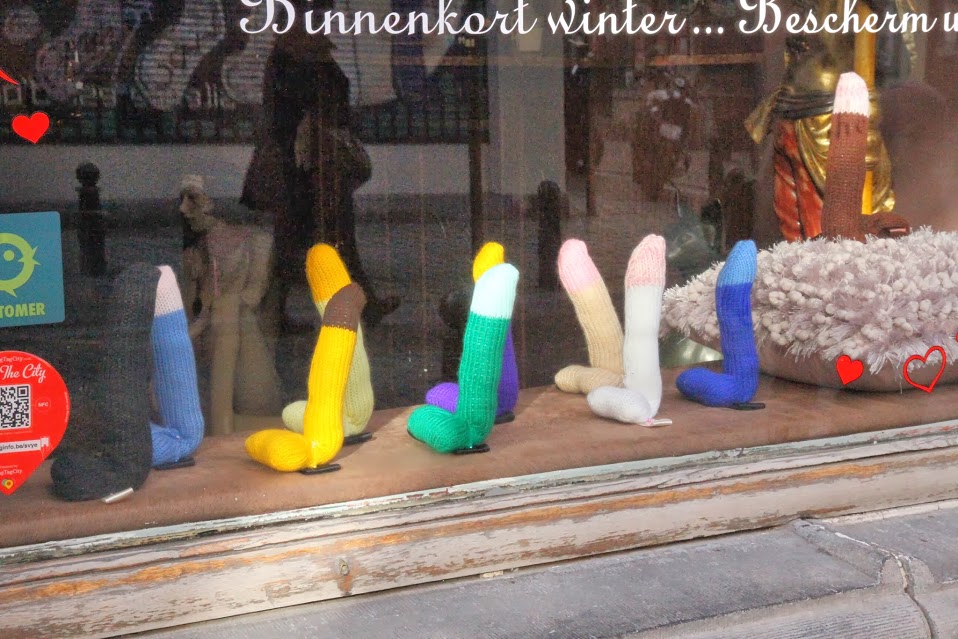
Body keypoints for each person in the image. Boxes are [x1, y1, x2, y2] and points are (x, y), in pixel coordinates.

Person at [240, 0, 399, 328]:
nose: (326, 22)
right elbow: (315, 104)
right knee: (313, 240)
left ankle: (358, 306)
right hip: (309, 168)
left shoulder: (299, 55)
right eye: (320, 16)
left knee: (318, 240)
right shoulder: (300, 59)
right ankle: (278, 311)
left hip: (312, 167)